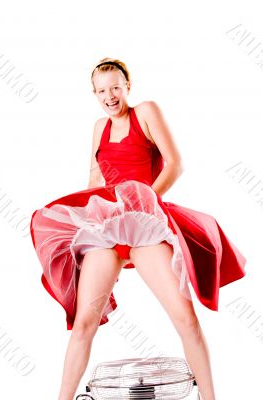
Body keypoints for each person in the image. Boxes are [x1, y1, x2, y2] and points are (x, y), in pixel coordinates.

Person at [30, 57, 247, 400]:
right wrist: (88, 223)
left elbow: (175, 165)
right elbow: (94, 179)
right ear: (95, 94)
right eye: (101, 91)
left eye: (115, 87)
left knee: (186, 320)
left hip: (145, 225)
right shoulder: (99, 126)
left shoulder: (145, 111)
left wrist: (143, 206)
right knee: (84, 324)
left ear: (127, 87)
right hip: (109, 228)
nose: (109, 95)